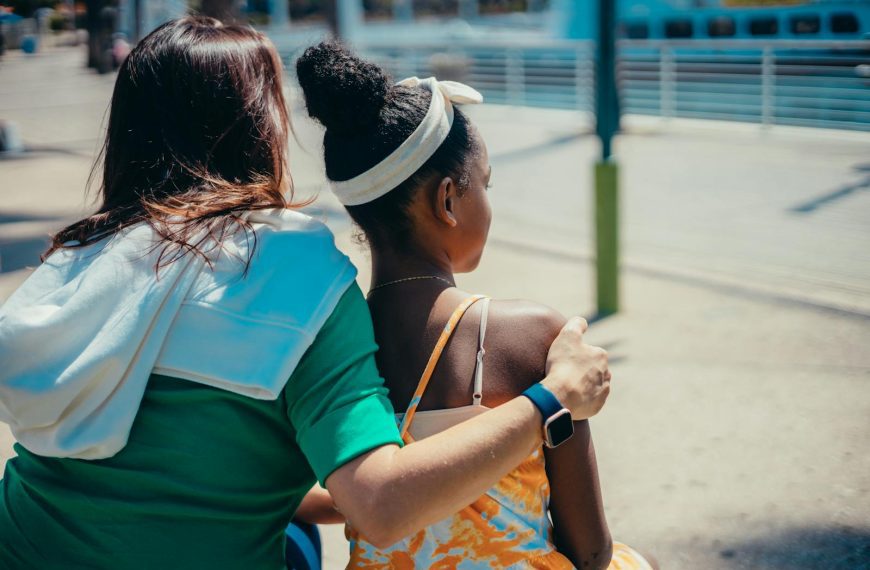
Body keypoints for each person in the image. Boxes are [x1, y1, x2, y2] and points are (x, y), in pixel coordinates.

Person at [0, 17, 612, 569]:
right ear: (256, 126)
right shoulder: (290, 273)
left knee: (298, 538)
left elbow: (178, 458)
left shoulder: (76, 259)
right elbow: (379, 505)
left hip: (20, 541)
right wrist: (552, 399)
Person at [295, 42, 655, 569]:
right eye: (484, 184)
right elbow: (590, 548)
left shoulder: (334, 342)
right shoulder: (528, 336)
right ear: (447, 199)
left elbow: (278, 485)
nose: (488, 201)